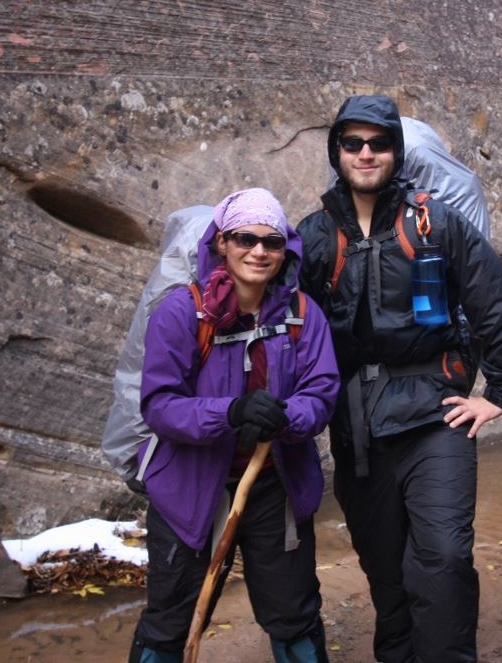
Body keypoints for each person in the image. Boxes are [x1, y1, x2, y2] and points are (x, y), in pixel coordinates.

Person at [296, 94, 502, 663]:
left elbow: (495, 304)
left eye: (379, 143)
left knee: (442, 559)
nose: (366, 153)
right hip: (358, 425)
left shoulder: (435, 224)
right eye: (354, 143)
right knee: (384, 569)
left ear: (396, 152)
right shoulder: (316, 235)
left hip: (435, 415)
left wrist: (496, 394)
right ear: (338, 152)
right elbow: (283, 320)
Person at [129, 188, 340, 663]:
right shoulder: (183, 313)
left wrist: (287, 418)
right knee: (170, 621)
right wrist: (230, 413)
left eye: (272, 241)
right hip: (191, 488)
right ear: (221, 242)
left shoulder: (302, 315)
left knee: (294, 613)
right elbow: (159, 405)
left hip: (272, 485)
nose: (259, 251)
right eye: (245, 238)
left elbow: (322, 390)